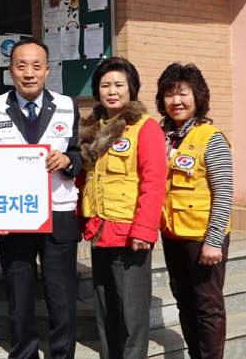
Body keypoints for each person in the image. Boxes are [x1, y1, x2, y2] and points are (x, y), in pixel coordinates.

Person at [0, 37, 83, 359]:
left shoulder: (68, 105)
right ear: (10, 70)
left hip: (58, 214)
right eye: (21, 66)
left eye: (36, 66)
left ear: (47, 70)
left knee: (62, 298)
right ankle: (23, 354)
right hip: (14, 218)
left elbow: (80, 155)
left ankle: (62, 355)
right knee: (19, 297)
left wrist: (68, 161)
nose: (29, 73)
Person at [77, 57, 166, 359]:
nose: (111, 91)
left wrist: (144, 229)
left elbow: (154, 181)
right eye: (105, 85)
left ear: (132, 88)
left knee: (131, 315)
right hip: (100, 231)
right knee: (106, 311)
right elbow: (87, 178)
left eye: (119, 84)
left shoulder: (144, 127)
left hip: (130, 234)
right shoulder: (91, 128)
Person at [156, 63, 233, 359]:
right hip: (172, 233)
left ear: (197, 97)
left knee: (208, 306)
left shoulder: (210, 137)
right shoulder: (163, 136)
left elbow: (224, 192)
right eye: (169, 94)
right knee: (185, 302)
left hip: (202, 238)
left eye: (183, 93)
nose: (176, 101)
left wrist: (214, 241)